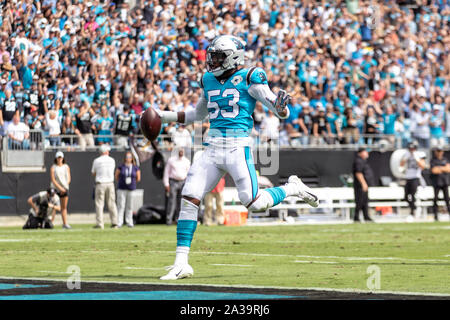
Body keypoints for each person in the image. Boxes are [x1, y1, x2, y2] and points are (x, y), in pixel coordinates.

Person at [154, 35, 318, 280]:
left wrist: (283, 108)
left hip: (236, 147)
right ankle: (181, 263)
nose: (213, 61)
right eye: (213, 55)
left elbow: (277, 108)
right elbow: (196, 115)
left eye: (219, 56)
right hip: (211, 148)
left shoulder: (251, 77)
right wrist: (162, 116)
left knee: (254, 202)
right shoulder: (208, 80)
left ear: (233, 57)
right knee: (189, 197)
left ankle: (293, 188)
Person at [91, 144, 118, 229]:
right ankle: (115, 222)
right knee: (112, 203)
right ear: (105, 151)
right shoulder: (112, 160)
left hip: (100, 183)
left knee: (99, 204)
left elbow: (93, 173)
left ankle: (100, 224)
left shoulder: (96, 161)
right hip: (110, 183)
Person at [163, 148, 191, 225]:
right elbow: (166, 172)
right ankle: (169, 219)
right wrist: (166, 183)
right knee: (172, 201)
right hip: (173, 182)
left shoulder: (186, 161)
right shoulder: (171, 160)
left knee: (181, 202)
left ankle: (178, 219)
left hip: (183, 182)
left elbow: (189, 174)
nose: (181, 152)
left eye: (182, 151)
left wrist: (188, 185)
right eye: (180, 151)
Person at [400, 141, 427, 217]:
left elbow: (423, 166)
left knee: (413, 195)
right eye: (410, 148)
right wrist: (405, 158)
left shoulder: (419, 154)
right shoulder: (406, 154)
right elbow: (401, 165)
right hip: (408, 177)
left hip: (416, 177)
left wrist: (417, 159)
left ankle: (413, 211)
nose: (411, 150)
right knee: (405, 196)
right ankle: (413, 208)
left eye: (413, 148)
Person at [115, 151, 141, 228]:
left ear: (132, 158)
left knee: (130, 206)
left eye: (129, 157)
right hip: (122, 188)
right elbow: (116, 176)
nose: (128, 159)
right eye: (127, 157)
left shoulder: (135, 167)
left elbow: (138, 178)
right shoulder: (121, 166)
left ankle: (129, 222)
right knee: (121, 205)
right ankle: (119, 222)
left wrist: (132, 183)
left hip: (131, 188)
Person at [352, 147, 375, 223]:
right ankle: (356, 217)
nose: (367, 153)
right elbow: (358, 173)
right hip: (360, 186)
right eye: (365, 152)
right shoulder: (358, 161)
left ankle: (366, 217)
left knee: (365, 201)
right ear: (361, 152)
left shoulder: (363, 161)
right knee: (359, 201)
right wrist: (363, 183)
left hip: (363, 185)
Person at [430, 146, 450, 221]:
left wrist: (439, 168)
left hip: (445, 182)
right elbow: (434, 170)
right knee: (435, 199)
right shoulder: (433, 160)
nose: (439, 153)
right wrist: (443, 168)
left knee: (447, 200)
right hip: (437, 183)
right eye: (437, 151)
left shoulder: (445, 159)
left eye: (440, 151)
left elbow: (448, 169)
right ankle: (435, 216)